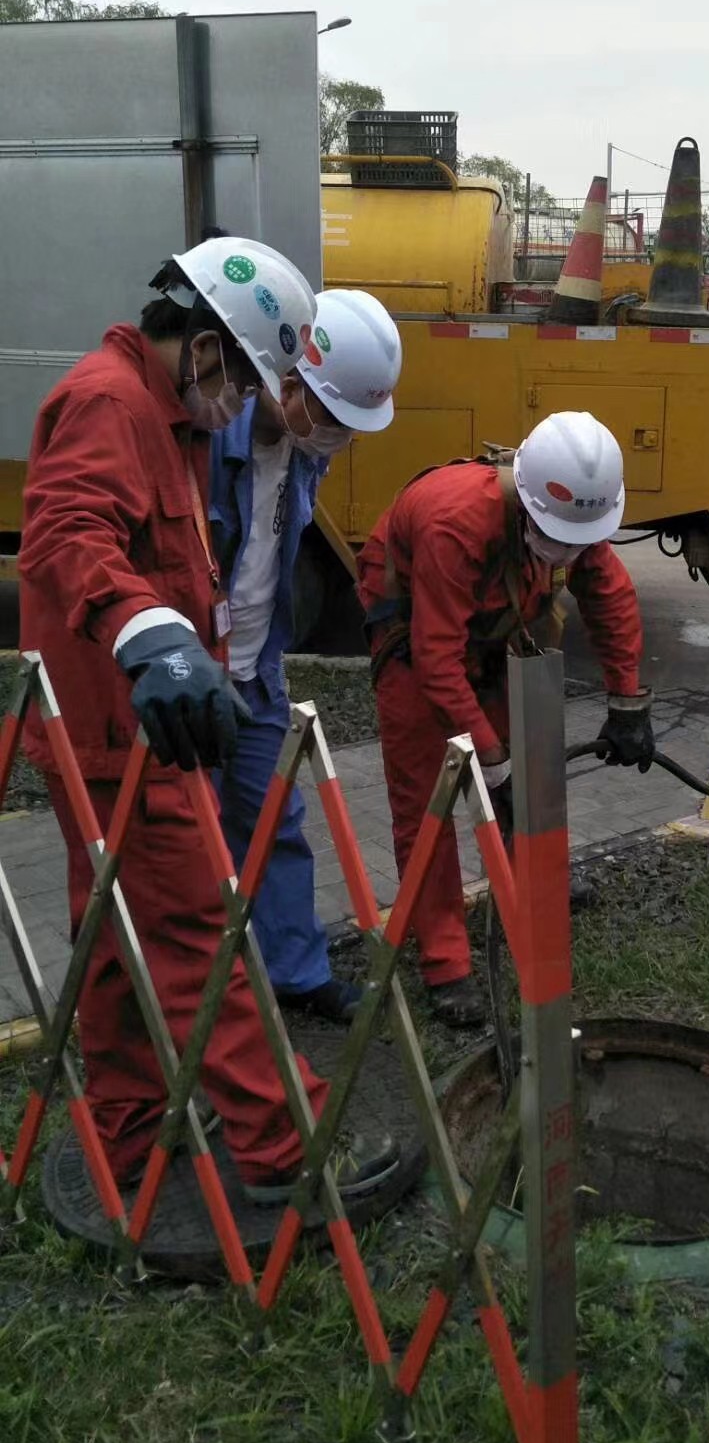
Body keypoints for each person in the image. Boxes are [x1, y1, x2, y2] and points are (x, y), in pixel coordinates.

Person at [18, 236, 398, 1202]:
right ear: (202, 348)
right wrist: (150, 632)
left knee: (116, 945)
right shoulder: (112, 404)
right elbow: (67, 532)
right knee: (198, 935)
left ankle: (129, 1127)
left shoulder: (165, 419)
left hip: (115, 731)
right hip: (128, 730)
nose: (245, 403)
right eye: (248, 376)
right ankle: (287, 1146)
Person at [357, 411, 653, 1026]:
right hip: (414, 635)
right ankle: (444, 961)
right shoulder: (455, 522)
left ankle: (536, 882)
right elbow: (438, 660)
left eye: (581, 538)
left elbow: (611, 598)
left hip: (490, 623)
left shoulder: (574, 514)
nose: (572, 552)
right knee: (429, 799)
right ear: (526, 499)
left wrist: (629, 703)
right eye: (561, 539)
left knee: (533, 760)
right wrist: (493, 765)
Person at [211, 286, 402, 1025]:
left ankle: (295, 972)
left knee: (274, 825)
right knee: (181, 844)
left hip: (256, 673)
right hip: (196, 672)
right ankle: (198, 997)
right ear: (285, 379)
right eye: (331, 416)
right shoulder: (207, 443)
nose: (337, 437)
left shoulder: (298, 451)